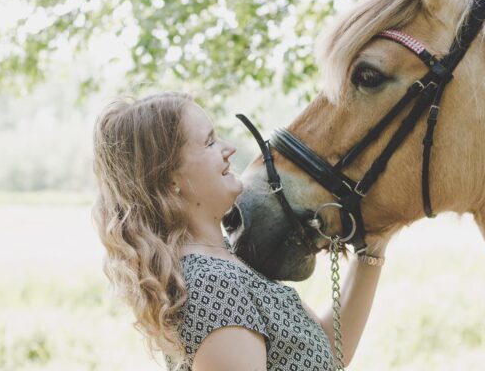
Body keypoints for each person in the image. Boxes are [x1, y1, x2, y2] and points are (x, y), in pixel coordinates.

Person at [91, 91, 389, 371]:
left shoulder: (227, 263)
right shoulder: (213, 287)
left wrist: (372, 249)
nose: (228, 149)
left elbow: (331, 351)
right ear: (170, 179)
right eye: (209, 143)